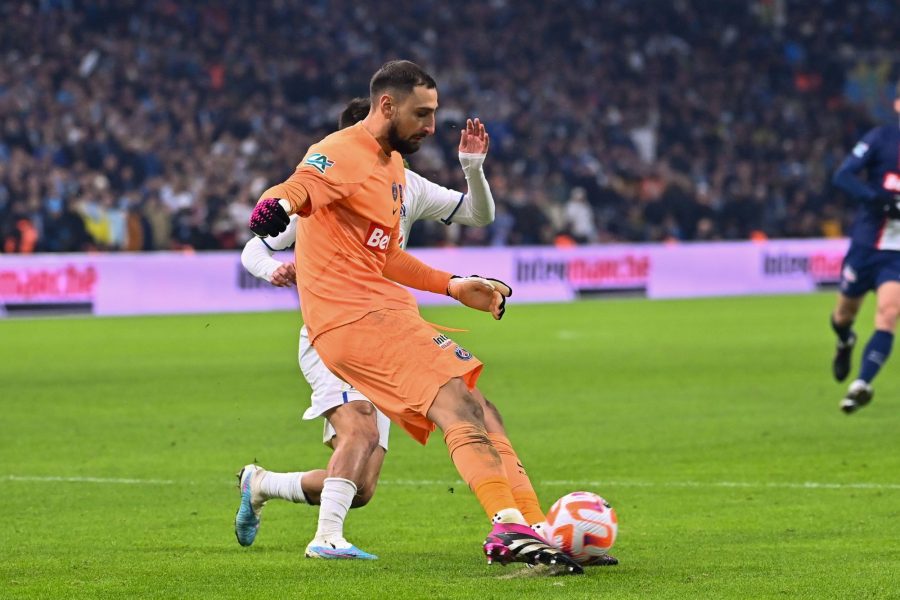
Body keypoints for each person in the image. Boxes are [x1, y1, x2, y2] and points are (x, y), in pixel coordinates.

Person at [242, 60, 582, 574]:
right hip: (353, 321)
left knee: (480, 408)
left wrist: (453, 285)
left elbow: (386, 256)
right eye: (422, 114)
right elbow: (296, 188)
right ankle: (507, 526)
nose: (431, 126)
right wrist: (273, 208)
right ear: (387, 105)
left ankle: (534, 527)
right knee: (456, 404)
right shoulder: (341, 150)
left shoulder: (393, 168)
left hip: (385, 311)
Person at [830, 81, 900, 414]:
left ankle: (861, 383)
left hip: (896, 253)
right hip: (867, 245)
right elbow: (843, 176)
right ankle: (845, 340)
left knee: (888, 313)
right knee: (843, 315)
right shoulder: (880, 139)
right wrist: (879, 201)